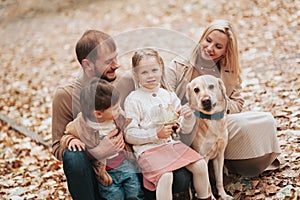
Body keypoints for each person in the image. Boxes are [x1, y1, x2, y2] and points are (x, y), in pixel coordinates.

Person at [51, 30, 192, 199]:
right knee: (73, 157)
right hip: (98, 173)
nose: (117, 65)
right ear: (87, 64)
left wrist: (171, 119)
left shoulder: (122, 83)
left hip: (131, 165)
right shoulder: (65, 95)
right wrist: (97, 151)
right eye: (109, 61)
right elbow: (58, 147)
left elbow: (149, 104)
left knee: (182, 179)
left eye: (116, 57)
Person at [167, 19, 281, 177]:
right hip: (190, 126)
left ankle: (237, 163)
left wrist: (221, 106)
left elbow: (238, 102)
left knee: (266, 119)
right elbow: (165, 96)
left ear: (225, 51)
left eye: (218, 46)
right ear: (202, 38)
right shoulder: (179, 65)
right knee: (242, 124)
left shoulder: (228, 71)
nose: (209, 48)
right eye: (208, 40)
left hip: (219, 120)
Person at [124, 48, 214, 200]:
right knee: (165, 176)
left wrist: (187, 117)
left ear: (161, 69)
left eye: (154, 70)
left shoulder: (168, 95)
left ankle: (205, 197)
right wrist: (154, 134)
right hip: (148, 150)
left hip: (170, 145)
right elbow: (129, 134)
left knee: (200, 164)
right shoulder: (133, 99)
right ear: (136, 74)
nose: (150, 75)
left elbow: (183, 128)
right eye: (144, 72)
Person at [60, 78, 143, 199]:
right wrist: (72, 140)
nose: (119, 109)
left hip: (124, 163)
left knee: (134, 192)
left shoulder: (118, 117)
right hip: (104, 172)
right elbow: (65, 136)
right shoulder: (80, 125)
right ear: (98, 114)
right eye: (115, 108)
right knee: (114, 196)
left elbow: (131, 125)